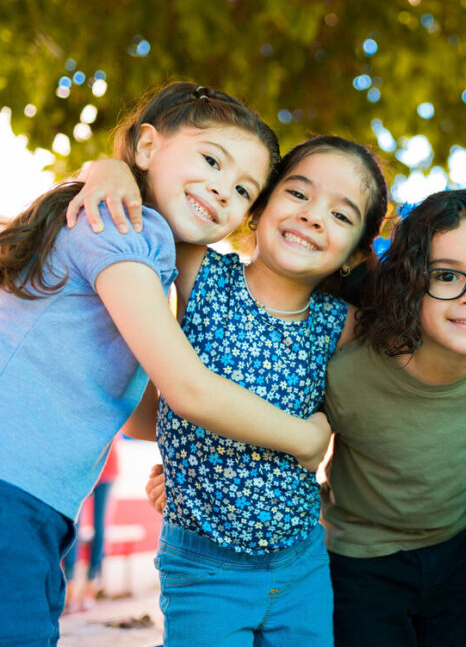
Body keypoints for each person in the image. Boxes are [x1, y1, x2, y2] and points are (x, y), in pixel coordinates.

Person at [0, 82, 332, 646]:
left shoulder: (131, 242)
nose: (222, 190)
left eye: (243, 190)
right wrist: (304, 437)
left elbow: (134, 416)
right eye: (210, 160)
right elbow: (187, 389)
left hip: (33, 502)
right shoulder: (126, 228)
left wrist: (195, 464)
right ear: (148, 148)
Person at [71, 135, 389, 646]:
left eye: (341, 215)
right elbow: (153, 194)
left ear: (353, 254)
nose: (312, 216)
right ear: (258, 208)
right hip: (203, 567)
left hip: (301, 562)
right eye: (299, 194)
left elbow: (409, 364)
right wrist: (107, 169)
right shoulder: (199, 270)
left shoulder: (343, 325)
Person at [320, 188, 466, 647]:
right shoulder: (346, 373)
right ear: (407, 281)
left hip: (457, 554)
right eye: (446, 275)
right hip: (359, 560)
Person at [63, 437, 120, 613]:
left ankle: (90, 587)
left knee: (99, 526)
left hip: (107, 465)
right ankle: (70, 587)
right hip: (82, 466)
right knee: (74, 525)